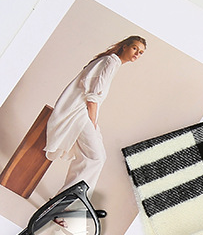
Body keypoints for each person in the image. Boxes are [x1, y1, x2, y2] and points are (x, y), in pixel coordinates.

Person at [44, 35, 146, 195]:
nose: (137, 54)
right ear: (125, 46)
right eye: (135, 48)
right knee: (96, 157)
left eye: (140, 52)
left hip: (82, 112)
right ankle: (64, 201)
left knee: (96, 157)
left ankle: (68, 200)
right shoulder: (110, 62)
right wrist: (93, 123)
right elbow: (92, 98)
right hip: (79, 113)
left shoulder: (111, 62)